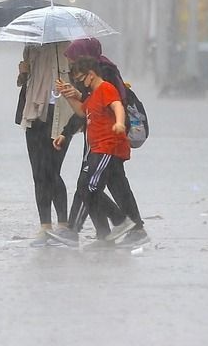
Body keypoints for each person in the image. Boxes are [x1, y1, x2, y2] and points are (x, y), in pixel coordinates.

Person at [48, 38, 149, 248]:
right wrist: (67, 128)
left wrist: (119, 124)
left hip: (107, 140)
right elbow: (86, 109)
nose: (73, 67)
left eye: (75, 61)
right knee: (116, 185)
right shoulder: (91, 78)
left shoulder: (105, 75)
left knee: (87, 185)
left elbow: (112, 104)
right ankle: (122, 231)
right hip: (99, 138)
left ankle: (88, 229)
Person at [16, 42, 76, 247]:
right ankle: (45, 226)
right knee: (38, 173)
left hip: (61, 115)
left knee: (52, 171)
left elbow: (80, 81)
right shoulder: (31, 46)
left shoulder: (68, 48)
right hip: (34, 113)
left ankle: (63, 224)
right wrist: (23, 73)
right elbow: (24, 82)